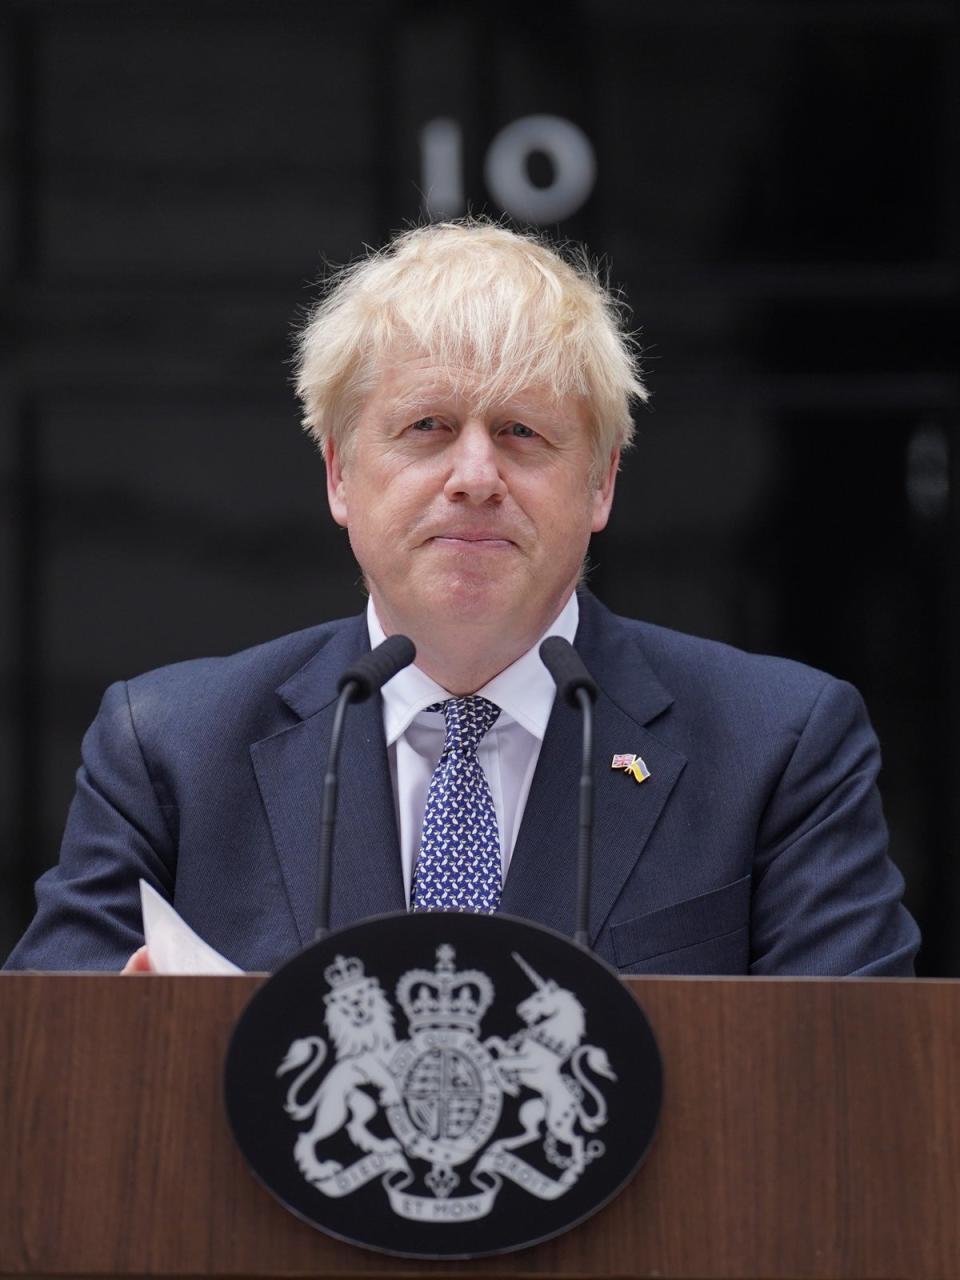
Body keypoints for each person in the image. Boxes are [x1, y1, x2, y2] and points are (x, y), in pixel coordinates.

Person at [4, 220, 919, 975]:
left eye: (522, 432)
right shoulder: (168, 751)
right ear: (339, 475)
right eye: (427, 427)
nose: (475, 475)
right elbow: (42, 1093)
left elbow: (852, 1103)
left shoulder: (781, 748)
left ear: (601, 484)